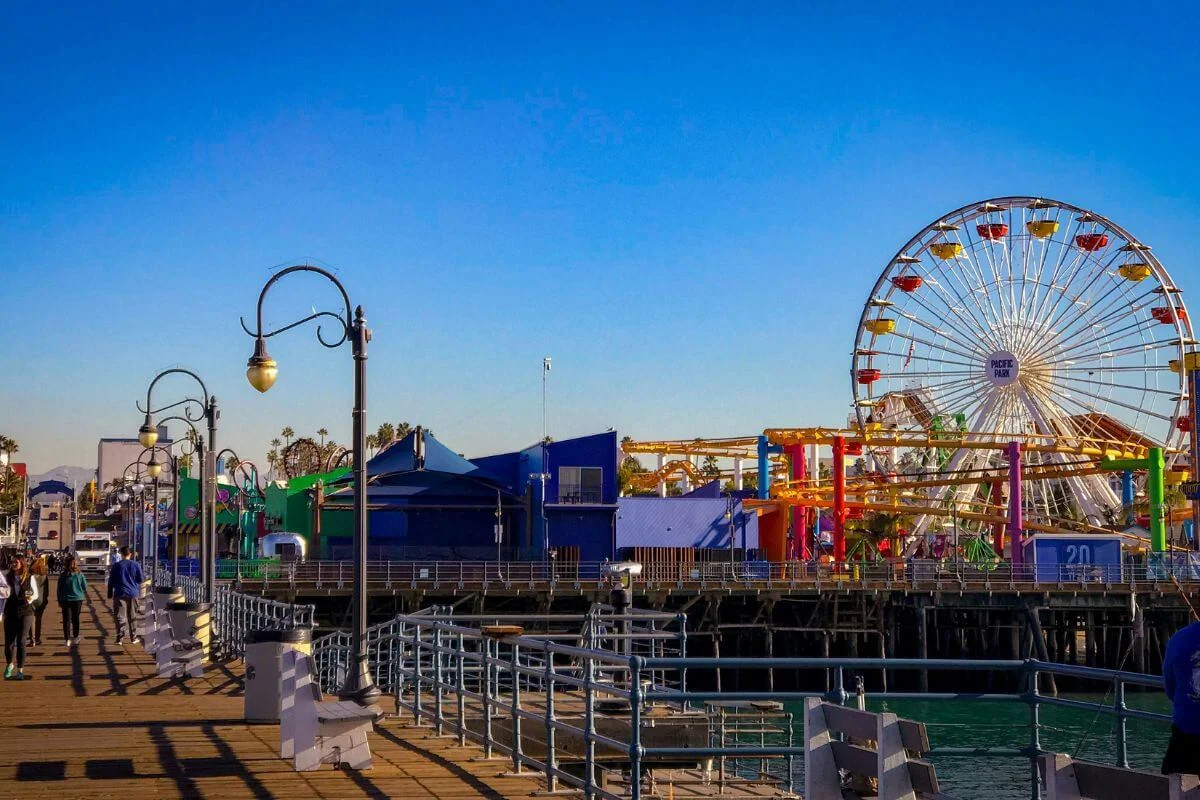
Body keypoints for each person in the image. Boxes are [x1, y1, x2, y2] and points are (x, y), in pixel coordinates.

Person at [1162, 620, 1200, 775]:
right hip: (1187, 734)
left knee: (1173, 783)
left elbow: (1171, 688)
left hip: (1186, 736)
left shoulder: (1179, 639)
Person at [3, 555, 37, 679]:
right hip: (10, 611)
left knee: (21, 641)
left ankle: (20, 670)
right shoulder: (7, 577)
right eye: (12, 562)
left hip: (25, 611)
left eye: (16, 562)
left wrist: (30, 598)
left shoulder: (29, 577)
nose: (13, 564)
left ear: (22, 563)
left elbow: (35, 594)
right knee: (9, 643)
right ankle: (10, 664)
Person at [107, 547, 143, 645]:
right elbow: (140, 580)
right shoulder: (136, 565)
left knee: (120, 616)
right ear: (130, 554)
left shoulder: (116, 566)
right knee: (132, 616)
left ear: (121, 554)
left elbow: (111, 581)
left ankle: (120, 637)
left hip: (119, 593)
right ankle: (133, 637)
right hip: (133, 593)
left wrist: (109, 593)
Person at [57, 555, 86, 647]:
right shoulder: (79, 574)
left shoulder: (63, 575)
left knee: (66, 620)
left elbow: (59, 589)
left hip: (65, 599)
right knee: (75, 618)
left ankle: (67, 639)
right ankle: (76, 637)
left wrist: (59, 600)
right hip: (78, 599)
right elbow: (85, 586)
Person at [28, 556, 48, 646]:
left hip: (31, 599)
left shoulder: (29, 576)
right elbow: (47, 590)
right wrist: (45, 599)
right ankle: (37, 638)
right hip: (41, 600)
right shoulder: (44, 577)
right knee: (38, 620)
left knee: (31, 619)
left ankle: (32, 640)